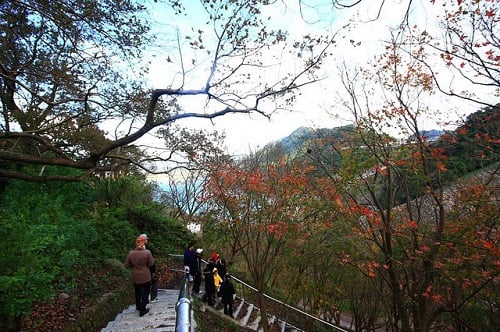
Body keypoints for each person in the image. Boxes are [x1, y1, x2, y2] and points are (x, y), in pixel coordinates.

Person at [124, 235, 154, 317]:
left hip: (135, 275)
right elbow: (151, 263)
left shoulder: (131, 253)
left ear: (136, 244)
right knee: (146, 291)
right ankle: (143, 309)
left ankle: (138, 305)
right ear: (144, 242)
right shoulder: (147, 252)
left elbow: (126, 265)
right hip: (145, 274)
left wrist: (133, 265)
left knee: (137, 291)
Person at [139, 233, 158, 303]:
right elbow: (152, 262)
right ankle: (153, 297)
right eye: (146, 239)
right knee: (153, 282)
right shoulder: (149, 250)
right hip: (148, 270)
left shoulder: (136, 250)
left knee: (142, 285)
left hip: (139, 271)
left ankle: (143, 299)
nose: (147, 240)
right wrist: (153, 271)